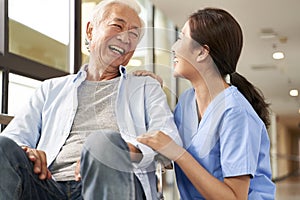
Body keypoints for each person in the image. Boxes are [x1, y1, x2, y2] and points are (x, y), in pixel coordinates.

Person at [0, 0, 182, 199]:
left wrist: (126, 150)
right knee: (3, 146)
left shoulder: (145, 87)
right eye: (117, 26)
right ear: (90, 31)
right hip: (48, 186)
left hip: (113, 185)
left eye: (134, 34)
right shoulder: (51, 89)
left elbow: (169, 140)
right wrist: (27, 151)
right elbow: (14, 137)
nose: (126, 38)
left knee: (103, 143)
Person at [137, 7, 276, 199]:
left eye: (182, 38)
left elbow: (235, 197)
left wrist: (177, 153)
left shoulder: (235, 113)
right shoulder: (186, 102)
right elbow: (169, 154)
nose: (174, 47)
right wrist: (148, 94)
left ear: (202, 53)